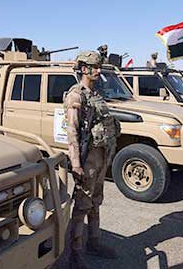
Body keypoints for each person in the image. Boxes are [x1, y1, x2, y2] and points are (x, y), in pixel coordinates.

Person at [64, 50, 120, 267]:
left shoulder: (95, 93)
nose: (98, 71)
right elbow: (72, 132)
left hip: (101, 156)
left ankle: (94, 243)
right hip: (87, 160)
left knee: (95, 202)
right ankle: (75, 253)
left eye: (99, 67)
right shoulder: (76, 95)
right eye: (94, 67)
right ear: (84, 69)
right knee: (82, 206)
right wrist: (76, 164)